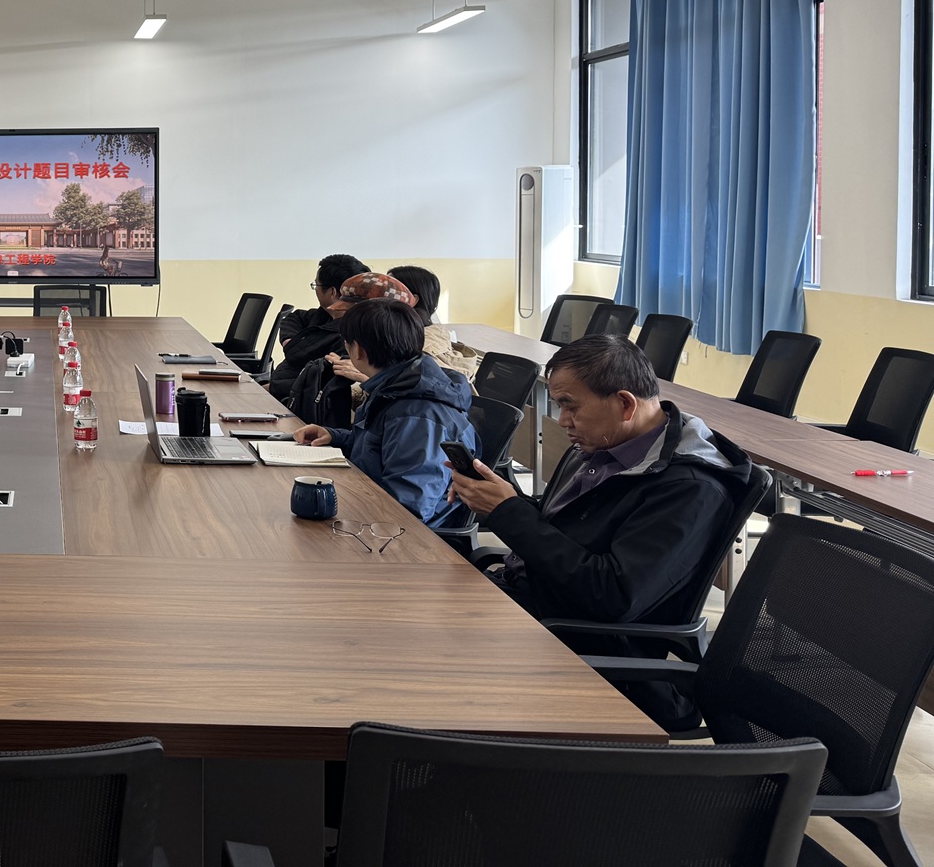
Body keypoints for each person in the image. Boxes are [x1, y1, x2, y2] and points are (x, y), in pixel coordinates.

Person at [445, 335, 754, 728]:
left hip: (586, 644)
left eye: (570, 406)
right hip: (534, 602)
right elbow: (567, 528)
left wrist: (508, 513)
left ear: (625, 404)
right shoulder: (601, 446)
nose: (562, 421)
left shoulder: (689, 488)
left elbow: (613, 596)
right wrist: (499, 499)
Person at [292, 298, 475, 529]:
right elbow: (382, 446)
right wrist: (334, 436)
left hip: (401, 536)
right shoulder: (396, 386)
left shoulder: (417, 415)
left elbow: (408, 510)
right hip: (372, 510)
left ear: (358, 350)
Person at [283, 271, 413, 428]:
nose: (341, 318)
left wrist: (368, 379)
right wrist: (334, 436)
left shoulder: (414, 400)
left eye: (350, 313)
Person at [266, 253, 369, 400]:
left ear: (332, 292)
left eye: (316, 285)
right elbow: (295, 317)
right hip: (280, 389)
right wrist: (289, 339)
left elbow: (316, 384)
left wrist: (265, 390)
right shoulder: (323, 315)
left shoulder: (348, 335)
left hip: (297, 399)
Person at [386, 264, 481, 381]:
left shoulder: (418, 348)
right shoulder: (425, 333)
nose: (378, 294)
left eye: (389, 290)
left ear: (412, 300)